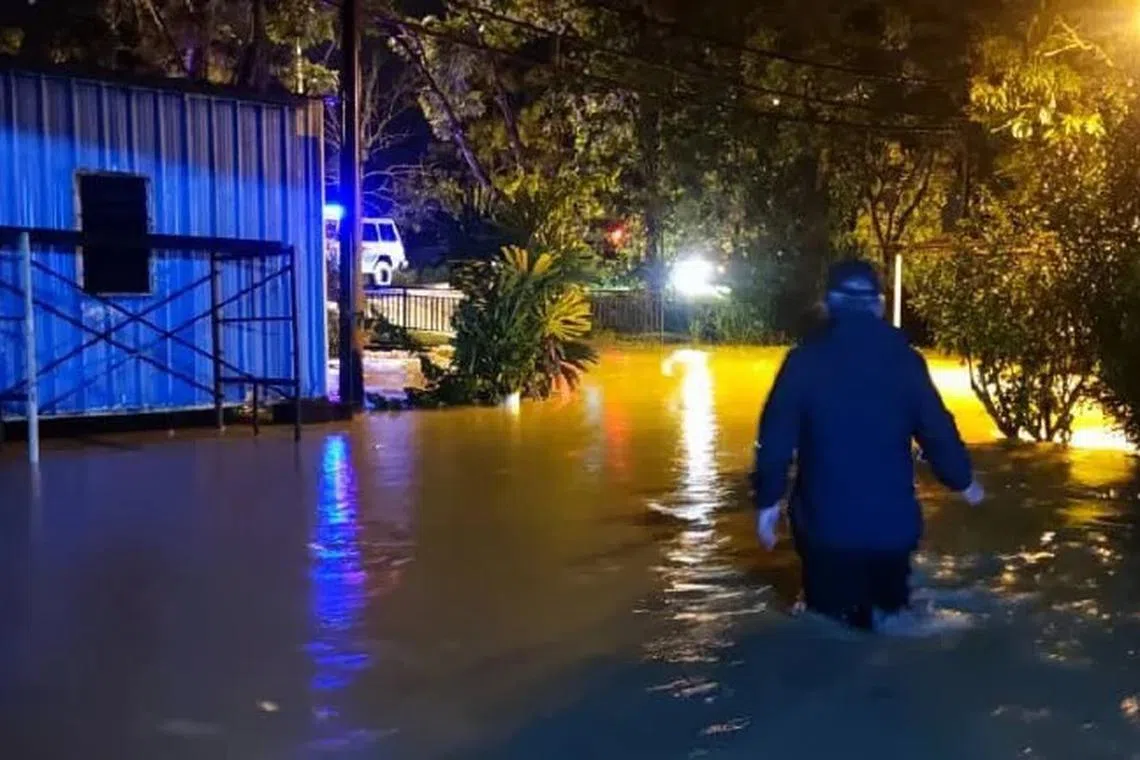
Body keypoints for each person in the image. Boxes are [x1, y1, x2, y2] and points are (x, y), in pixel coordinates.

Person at [752, 259, 984, 632]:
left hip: (827, 531)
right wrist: (964, 481)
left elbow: (775, 440)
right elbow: (937, 430)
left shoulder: (803, 362)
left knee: (830, 630)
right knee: (889, 625)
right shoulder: (906, 362)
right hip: (892, 532)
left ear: (828, 304)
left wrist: (767, 504)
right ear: (878, 305)